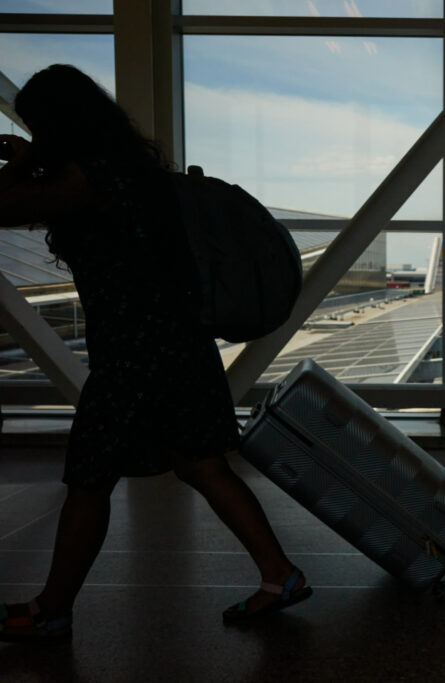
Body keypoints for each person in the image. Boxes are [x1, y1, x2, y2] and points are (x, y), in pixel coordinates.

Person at [0, 65, 311, 642]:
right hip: (180, 346)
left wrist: (19, 165)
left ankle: (52, 609)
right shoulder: (130, 173)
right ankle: (279, 576)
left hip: (135, 357)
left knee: (91, 477)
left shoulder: (84, 181)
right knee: (200, 464)